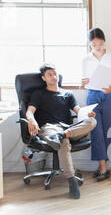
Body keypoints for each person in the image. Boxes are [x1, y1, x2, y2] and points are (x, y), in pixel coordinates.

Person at [26, 63, 97, 199]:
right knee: (63, 141)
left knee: (93, 121)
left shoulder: (68, 94)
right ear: (43, 78)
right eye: (50, 75)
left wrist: (87, 114)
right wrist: (32, 120)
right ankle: (71, 181)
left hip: (68, 129)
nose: (54, 77)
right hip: (49, 128)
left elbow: (79, 111)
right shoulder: (39, 93)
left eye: (55, 73)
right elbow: (30, 111)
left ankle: (61, 135)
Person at [82, 28, 111, 182]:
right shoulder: (86, 60)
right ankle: (103, 168)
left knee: (110, 129)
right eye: (94, 44)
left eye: (100, 43)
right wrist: (83, 82)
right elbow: (83, 82)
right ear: (89, 44)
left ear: (104, 42)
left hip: (109, 94)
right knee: (96, 131)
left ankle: (103, 165)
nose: (98, 47)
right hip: (92, 95)